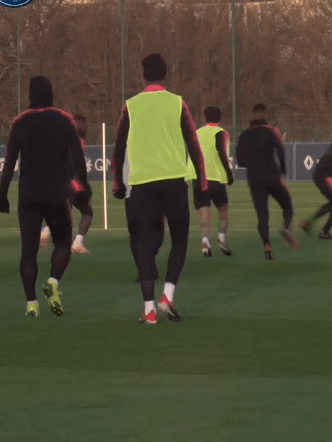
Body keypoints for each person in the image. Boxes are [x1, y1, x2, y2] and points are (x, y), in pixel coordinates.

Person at [112, 53, 207, 324]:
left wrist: (118, 183)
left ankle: (148, 309)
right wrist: (201, 185)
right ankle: (168, 294)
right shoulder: (177, 103)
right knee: (179, 239)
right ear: (166, 74)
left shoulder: (131, 106)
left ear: (144, 76)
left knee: (143, 243)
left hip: (142, 185)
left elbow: (118, 148)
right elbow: (194, 147)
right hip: (174, 181)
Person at [0, 76, 90, 317]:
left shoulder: (20, 122)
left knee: (28, 251)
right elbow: (78, 156)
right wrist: (84, 185)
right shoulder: (63, 119)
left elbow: (9, 162)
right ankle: (53, 282)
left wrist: (2, 194)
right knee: (62, 244)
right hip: (56, 192)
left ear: (30, 94)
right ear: (51, 93)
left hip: (28, 194)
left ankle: (31, 304)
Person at [235, 103, 300, 260]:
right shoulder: (271, 131)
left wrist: (251, 163)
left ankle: (267, 246)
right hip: (272, 176)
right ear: (265, 115)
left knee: (262, 215)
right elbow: (280, 151)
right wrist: (282, 173)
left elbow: (240, 161)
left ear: (252, 115)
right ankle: (286, 227)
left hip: (255, 179)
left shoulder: (243, 135)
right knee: (287, 205)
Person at [185, 106, 234, 257]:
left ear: (205, 118)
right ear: (219, 118)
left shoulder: (196, 133)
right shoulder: (223, 133)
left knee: (204, 212)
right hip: (215, 177)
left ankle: (205, 242)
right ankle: (221, 238)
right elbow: (222, 153)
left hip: (198, 178)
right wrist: (229, 174)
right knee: (223, 209)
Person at [42, 114, 94, 253]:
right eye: (83, 124)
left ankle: (47, 231)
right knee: (86, 211)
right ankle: (76, 242)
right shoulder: (77, 140)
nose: (85, 127)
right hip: (72, 180)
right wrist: (77, 180)